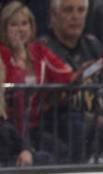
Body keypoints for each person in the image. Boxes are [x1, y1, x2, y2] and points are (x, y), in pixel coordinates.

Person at [39, 0, 103, 163]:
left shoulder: (93, 45)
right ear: (54, 15)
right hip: (59, 123)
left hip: (97, 119)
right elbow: (50, 101)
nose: (75, 17)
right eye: (68, 10)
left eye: (80, 10)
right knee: (76, 123)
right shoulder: (43, 49)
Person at [0, 2, 74, 149]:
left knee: (61, 149)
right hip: (7, 127)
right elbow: (15, 88)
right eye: (13, 25)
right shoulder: (2, 53)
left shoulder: (38, 50)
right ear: (4, 28)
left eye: (24, 24)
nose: (20, 29)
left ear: (32, 27)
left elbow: (65, 75)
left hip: (34, 127)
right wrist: (19, 53)